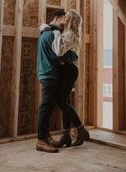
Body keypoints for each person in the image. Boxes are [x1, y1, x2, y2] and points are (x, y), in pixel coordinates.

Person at [41, 10, 90, 148]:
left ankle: (80, 129)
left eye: (66, 17)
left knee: (61, 101)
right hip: (65, 69)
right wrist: (47, 27)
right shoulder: (66, 33)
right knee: (65, 101)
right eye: (63, 17)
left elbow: (58, 51)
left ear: (71, 21)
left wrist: (54, 30)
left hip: (69, 70)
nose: (63, 19)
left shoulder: (69, 34)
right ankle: (66, 135)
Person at [36, 10, 77, 153]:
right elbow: (59, 55)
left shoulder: (46, 32)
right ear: (57, 18)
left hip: (47, 73)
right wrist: (73, 56)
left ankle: (46, 137)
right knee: (46, 107)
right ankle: (41, 140)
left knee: (49, 107)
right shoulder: (52, 34)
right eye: (63, 19)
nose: (64, 22)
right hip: (49, 74)